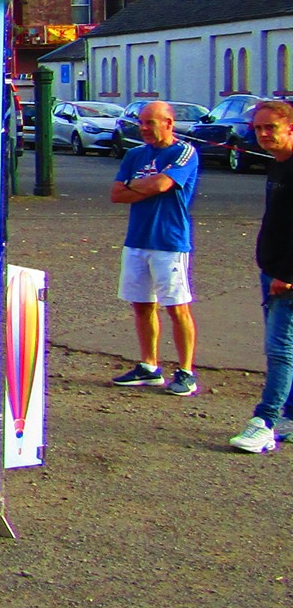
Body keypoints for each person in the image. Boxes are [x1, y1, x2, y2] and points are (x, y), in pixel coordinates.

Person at [108, 99, 202, 394]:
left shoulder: (184, 152)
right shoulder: (134, 154)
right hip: (136, 240)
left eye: (151, 122)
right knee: (141, 304)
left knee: (176, 307)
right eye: (142, 122)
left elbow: (162, 186)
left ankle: (186, 371)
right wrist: (147, 185)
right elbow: (116, 194)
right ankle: (149, 365)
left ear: (168, 124)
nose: (144, 128)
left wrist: (137, 186)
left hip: (168, 242)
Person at [230, 99, 293, 453]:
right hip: (271, 270)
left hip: (285, 276)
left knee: (279, 350)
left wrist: (286, 274)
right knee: (287, 348)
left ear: (290, 129)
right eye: (258, 129)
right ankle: (290, 416)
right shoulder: (278, 165)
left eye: (271, 128)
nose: (264, 135)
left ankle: (265, 421)